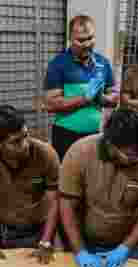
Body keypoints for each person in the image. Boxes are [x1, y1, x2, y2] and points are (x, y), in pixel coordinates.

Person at [59, 109, 138, 267]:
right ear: (110, 144)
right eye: (132, 155)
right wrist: (79, 251)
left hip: (126, 244)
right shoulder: (79, 152)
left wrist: (126, 248)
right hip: (82, 241)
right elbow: (67, 205)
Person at [0, 105, 61, 267]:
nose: (25, 144)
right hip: (0, 228)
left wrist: (46, 241)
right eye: (16, 142)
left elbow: (54, 202)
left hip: (37, 231)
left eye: (25, 136)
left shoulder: (46, 155)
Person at [45, 15, 118, 161]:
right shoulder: (58, 64)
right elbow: (51, 104)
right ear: (70, 39)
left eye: (90, 38)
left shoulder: (103, 63)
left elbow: (114, 97)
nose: (87, 44)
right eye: (81, 40)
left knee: (92, 178)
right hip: (66, 136)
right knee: (68, 180)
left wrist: (101, 99)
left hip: (95, 135)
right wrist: (84, 99)